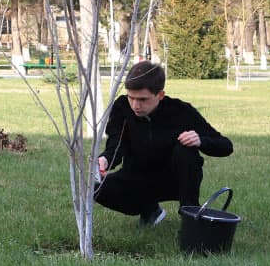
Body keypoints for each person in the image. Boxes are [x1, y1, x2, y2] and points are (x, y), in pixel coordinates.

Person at [95, 61, 233, 227]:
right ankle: (149, 209)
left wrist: (200, 140)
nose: (135, 105)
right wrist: (105, 159)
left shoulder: (181, 111)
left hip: (173, 179)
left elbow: (225, 146)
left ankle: (190, 217)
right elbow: (116, 145)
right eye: (131, 97)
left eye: (143, 99)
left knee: (186, 150)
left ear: (160, 95)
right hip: (136, 177)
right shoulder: (122, 108)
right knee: (95, 188)